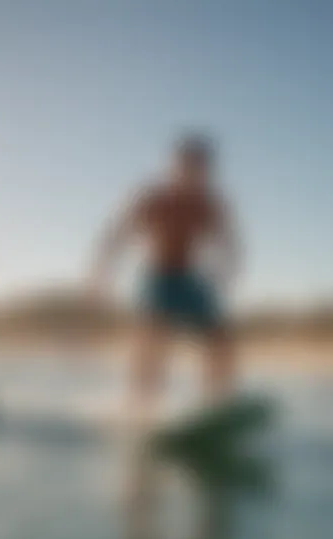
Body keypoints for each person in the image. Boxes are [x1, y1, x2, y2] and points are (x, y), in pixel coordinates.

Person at [90, 134, 243, 419]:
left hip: (189, 278)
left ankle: (218, 409)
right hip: (157, 277)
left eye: (200, 169)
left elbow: (229, 241)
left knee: (222, 340)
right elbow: (117, 233)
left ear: (207, 171)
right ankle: (139, 407)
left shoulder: (209, 203)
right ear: (174, 166)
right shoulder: (153, 198)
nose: (193, 175)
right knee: (153, 341)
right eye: (186, 167)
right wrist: (101, 272)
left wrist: (228, 270)